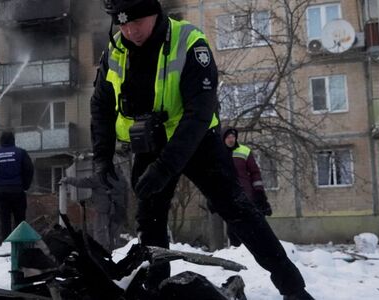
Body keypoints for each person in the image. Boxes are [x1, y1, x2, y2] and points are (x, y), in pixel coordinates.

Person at [90, 1, 313, 298]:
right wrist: (101, 157)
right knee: (149, 223)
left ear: (155, 13)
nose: (130, 31)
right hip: (150, 144)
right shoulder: (116, 49)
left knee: (238, 211)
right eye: (122, 24)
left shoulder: (190, 42)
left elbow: (199, 113)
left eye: (137, 23)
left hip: (197, 142)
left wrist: (165, 168)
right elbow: (101, 105)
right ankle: (157, 287)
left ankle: (293, 287)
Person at [223, 128, 273, 247]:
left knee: (250, 223)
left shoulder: (244, 151)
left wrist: (259, 193)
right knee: (233, 227)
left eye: (233, 137)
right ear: (223, 139)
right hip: (228, 195)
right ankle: (236, 251)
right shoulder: (219, 152)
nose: (231, 139)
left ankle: (252, 249)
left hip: (246, 194)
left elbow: (255, 172)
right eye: (228, 137)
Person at [60, 164, 128, 250]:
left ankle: (102, 254)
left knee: (100, 233)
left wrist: (67, 179)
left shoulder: (99, 177)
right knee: (114, 235)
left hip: (103, 210)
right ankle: (113, 254)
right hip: (119, 210)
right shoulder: (121, 178)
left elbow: (82, 182)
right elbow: (126, 197)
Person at [0, 131, 34, 242]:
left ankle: (6, 245)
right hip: (18, 190)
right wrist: (25, 185)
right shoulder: (21, 153)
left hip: (1, 192)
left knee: (4, 220)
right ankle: (20, 244)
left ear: (1, 141)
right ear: (13, 140)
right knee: (20, 220)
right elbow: (29, 169)